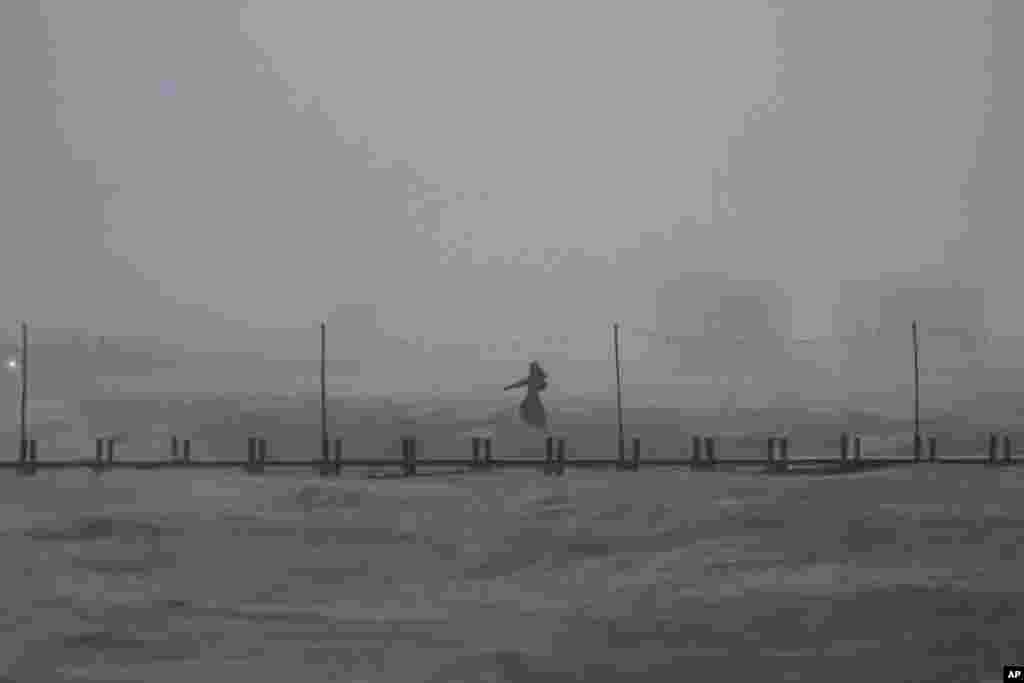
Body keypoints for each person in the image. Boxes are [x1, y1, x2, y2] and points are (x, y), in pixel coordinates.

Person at [504, 361, 550, 432]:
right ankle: (539, 426)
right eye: (531, 369)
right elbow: (518, 384)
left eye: (533, 369)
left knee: (537, 411)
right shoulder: (530, 378)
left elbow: (544, 386)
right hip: (531, 397)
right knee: (529, 410)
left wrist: (540, 386)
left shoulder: (538, 378)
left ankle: (543, 427)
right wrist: (509, 387)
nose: (531, 370)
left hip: (533, 397)